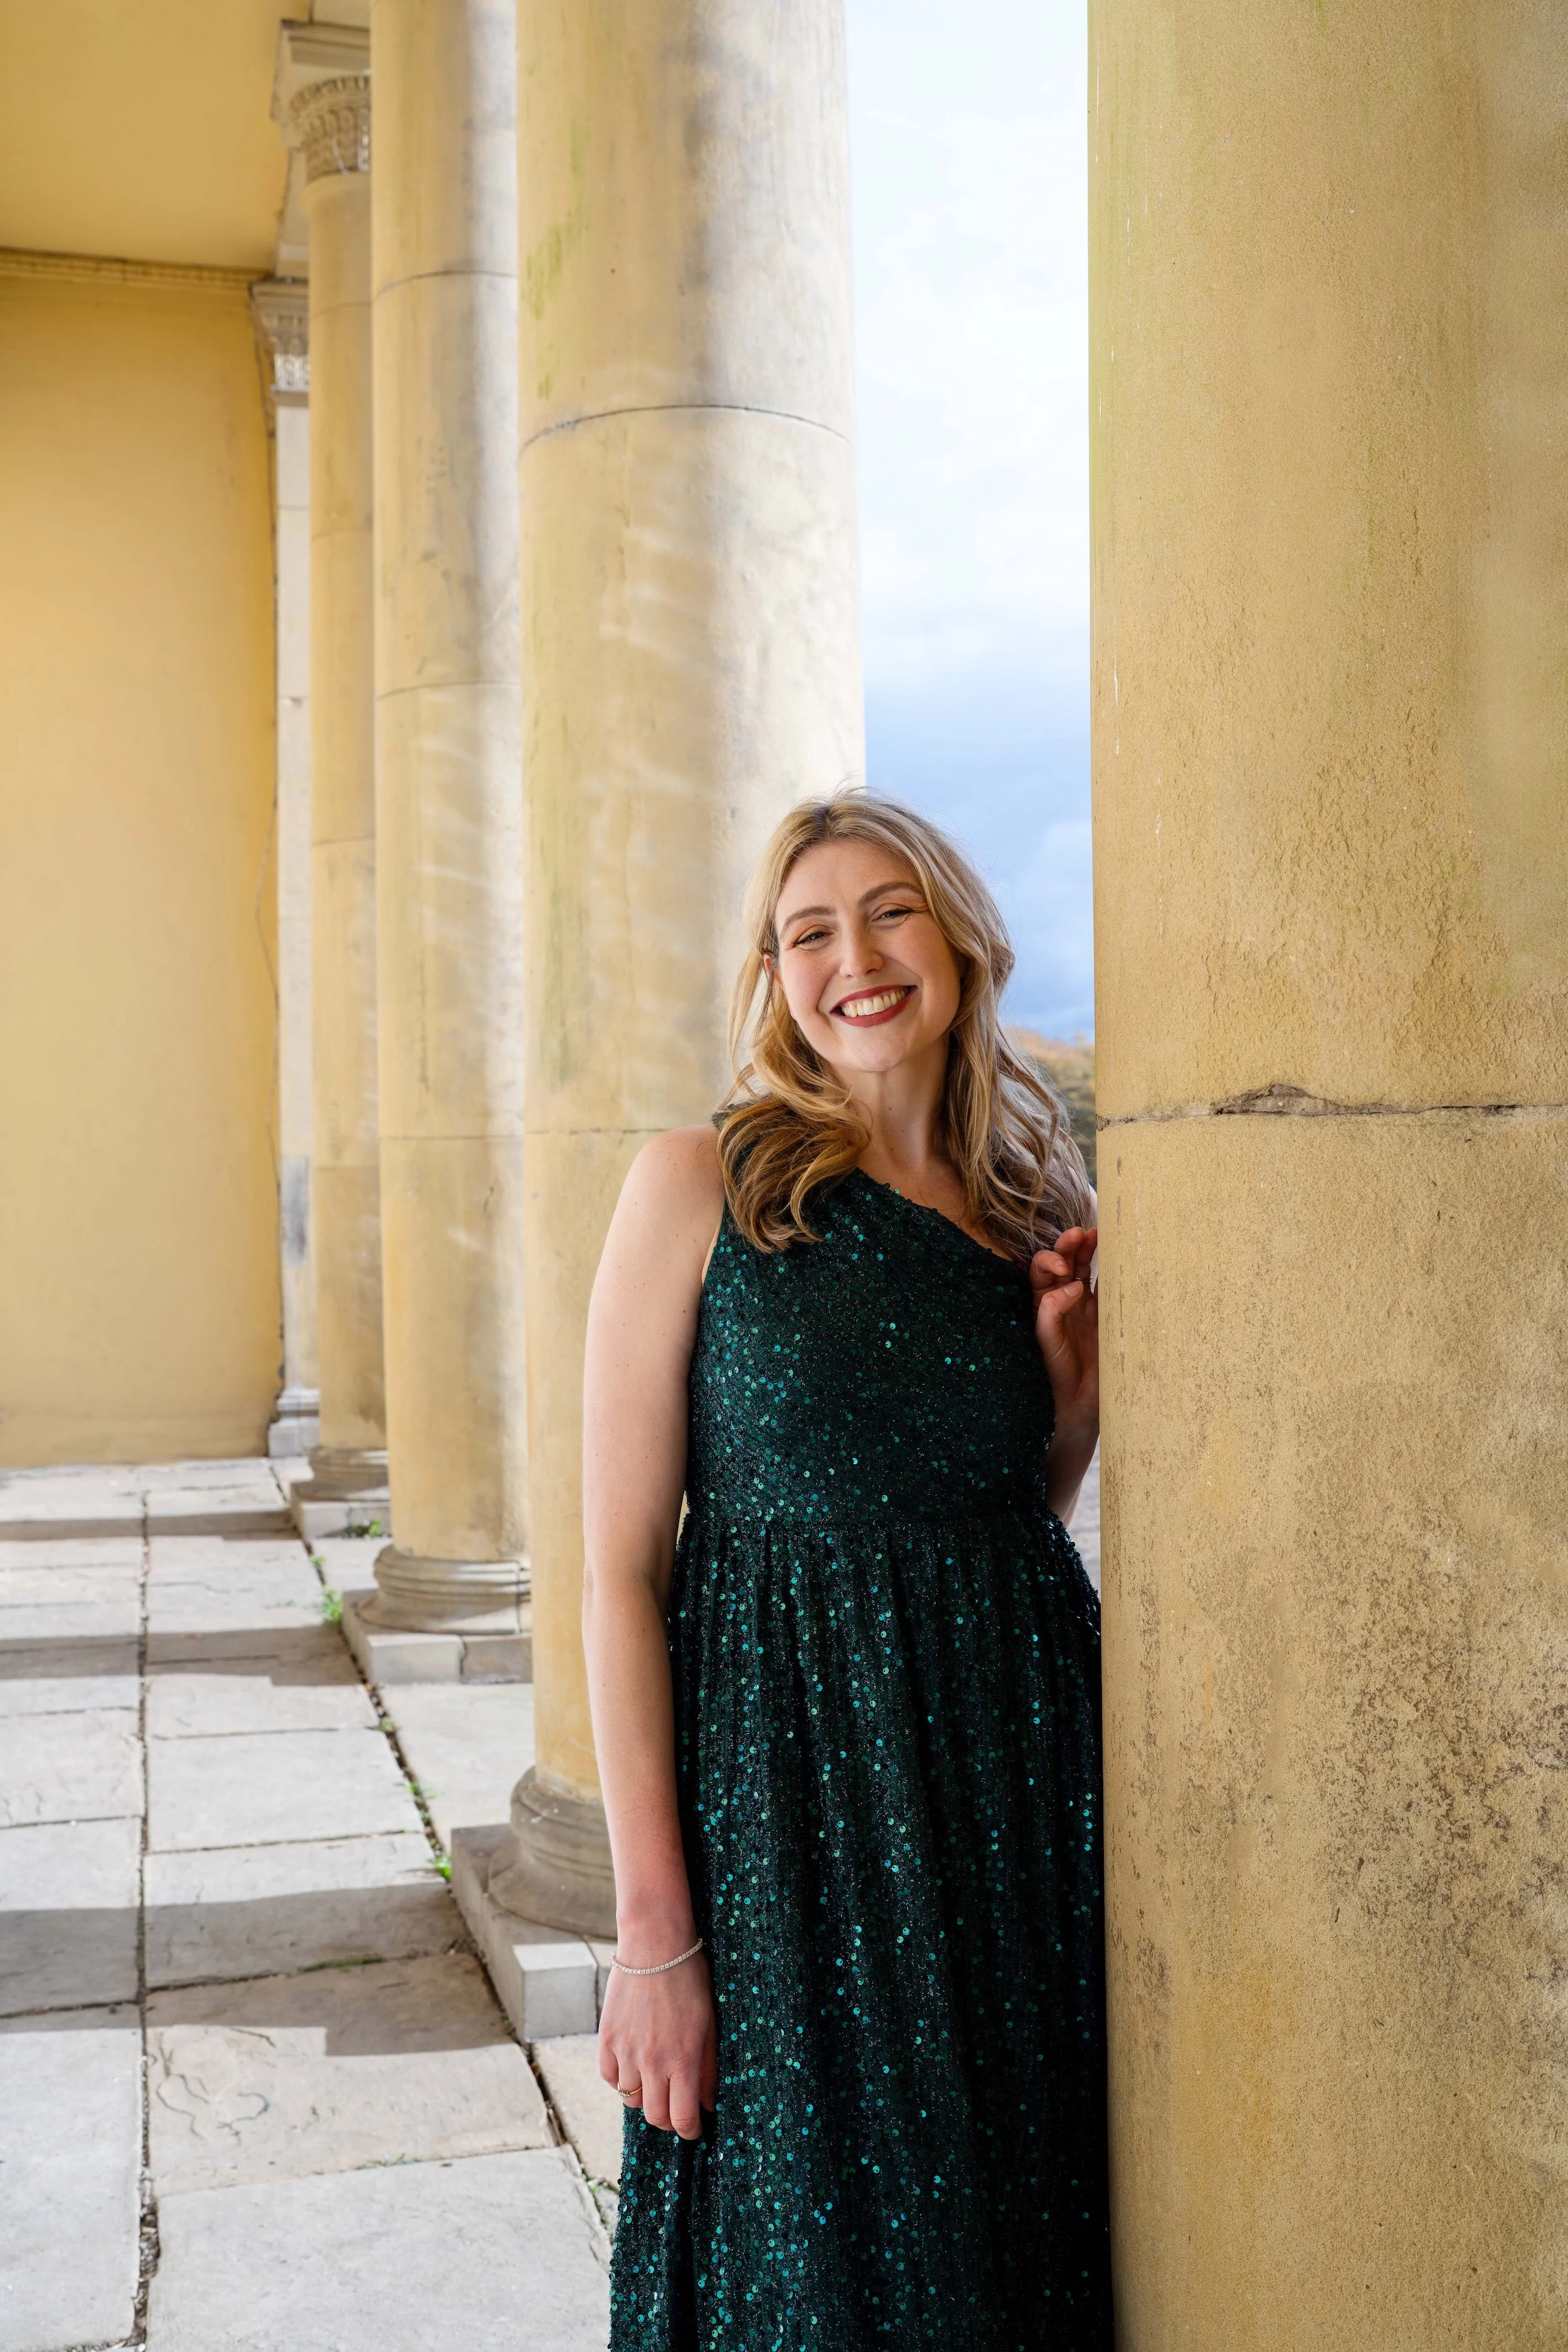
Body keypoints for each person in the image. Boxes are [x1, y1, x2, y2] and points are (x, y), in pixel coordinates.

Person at [583, 792, 1111, 2349]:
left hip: (1013, 1792)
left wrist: (1071, 1387)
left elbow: (1016, 1514)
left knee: (1017, 2238)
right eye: (808, 931)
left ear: (955, 935)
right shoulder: (698, 1185)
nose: (855, 958)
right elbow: (616, 1572)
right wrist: (652, 1934)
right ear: (775, 976)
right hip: (787, 1820)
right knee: (812, 2272)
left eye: (888, 912)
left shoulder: (1038, 1201)